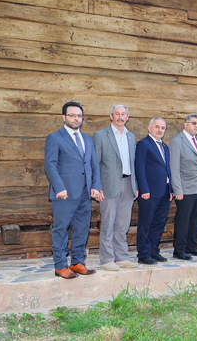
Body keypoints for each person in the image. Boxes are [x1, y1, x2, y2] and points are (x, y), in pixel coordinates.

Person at [44, 102, 103, 279]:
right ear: (64, 117)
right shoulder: (55, 138)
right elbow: (50, 165)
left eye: (78, 115)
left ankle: (77, 262)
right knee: (61, 229)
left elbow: (94, 165)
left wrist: (95, 186)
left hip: (85, 193)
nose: (76, 118)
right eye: (72, 115)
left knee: (82, 229)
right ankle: (60, 265)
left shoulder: (87, 139)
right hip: (64, 193)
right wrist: (59, 187)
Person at [92, 105, 138, 271]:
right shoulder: (100, 135)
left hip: (128, 183)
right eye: (117, 114)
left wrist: (136, 185)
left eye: (123, 114)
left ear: (127, 117)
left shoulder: (131, 137)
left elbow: (133, 164)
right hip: (109, 184)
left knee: (123, 223)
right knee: (108, 222)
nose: (120, 117)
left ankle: (121, 257)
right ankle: (107, 259)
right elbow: (94, 163)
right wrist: (97, 186)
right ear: (111, 116)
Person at [169, 114, 197, 260]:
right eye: (194, 123)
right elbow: (174, 168)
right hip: (185, 188)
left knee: (196, 219)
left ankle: (192, 247)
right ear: (185, 124)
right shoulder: (177, 141)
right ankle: (179, 250)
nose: (196, 126)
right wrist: (177, 190)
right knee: (183, 220)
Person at [134, 117, 173, 265]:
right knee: (146, 223)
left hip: (164, 191)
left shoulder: (164, 146)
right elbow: (140, 167)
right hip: (149, 192)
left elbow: (167, 169)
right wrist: (143, 189)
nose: (160, 130)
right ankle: (143, 254)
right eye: (157, 127)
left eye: (163, 128)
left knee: (158, 223)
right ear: (149, 128)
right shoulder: (143, 144)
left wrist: (171, 189)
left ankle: (153, 251)